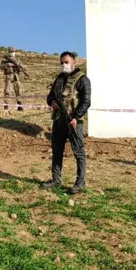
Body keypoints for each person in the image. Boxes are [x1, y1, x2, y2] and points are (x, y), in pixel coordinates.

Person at [41, 52, 91, 195]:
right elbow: (50, 96)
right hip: (58, 120)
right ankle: (56, 180)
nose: (64, 65)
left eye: (67, 62)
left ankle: (80, 183)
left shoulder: (82, 79)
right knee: (57, 151)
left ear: (74, 62)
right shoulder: (59, 79)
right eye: (62, 62)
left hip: (74, 122)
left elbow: (86, 102)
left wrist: (76, 117)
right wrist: (53, 102)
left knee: (79, 152)